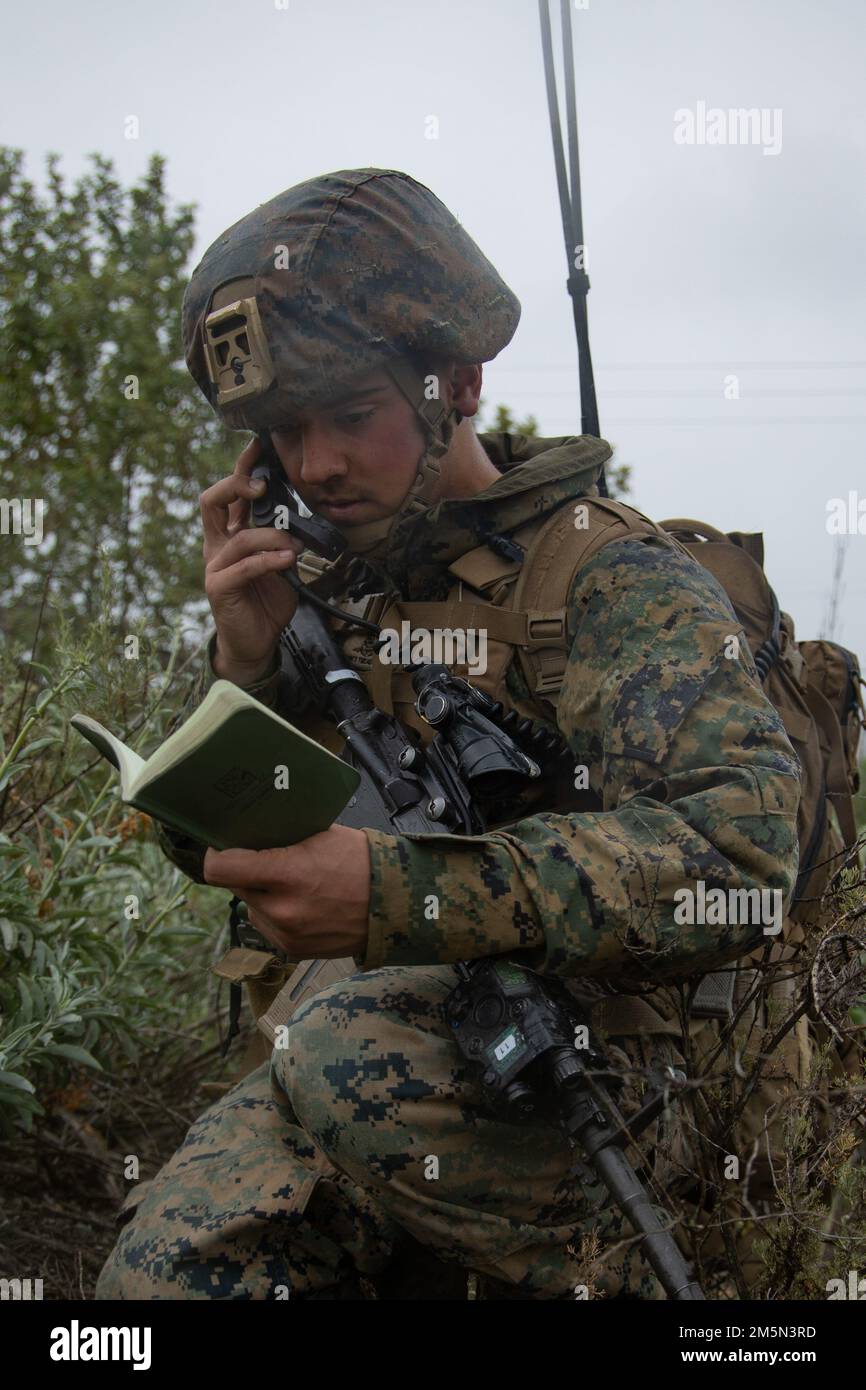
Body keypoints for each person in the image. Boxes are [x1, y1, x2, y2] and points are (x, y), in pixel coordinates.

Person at [96, 168, 800, 1300]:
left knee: (340, 1055)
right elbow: (220, 853)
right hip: (375, 1057)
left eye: (353, 415)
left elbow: (742, 858)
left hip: (599, 1077)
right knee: (151, 1290)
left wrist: (398, 890)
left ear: (457, 385)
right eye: (285, 431)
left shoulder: (607, 578)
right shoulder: (324, 592)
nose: (317, 462)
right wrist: (245, 665)